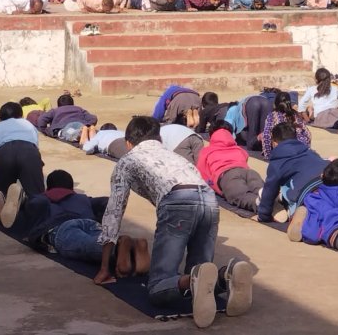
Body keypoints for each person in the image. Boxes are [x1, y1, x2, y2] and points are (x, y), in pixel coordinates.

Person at [94, 116, 253, 328]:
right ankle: (226, 276)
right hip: (209, 201)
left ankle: (194, 279)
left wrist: (105, 268)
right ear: (159, 138)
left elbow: (113, 213)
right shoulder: (175, 156)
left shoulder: (127, 160)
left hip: (178, 202)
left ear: (128, 143)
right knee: (200, 274)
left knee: (158, 287)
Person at [7, 170, 150, 276]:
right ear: (71, 188)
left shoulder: (45, 197)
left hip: (62, 227)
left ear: (48, 188)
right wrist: (100, 218)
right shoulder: (82, 198)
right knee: (99, 238)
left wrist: (27, 202)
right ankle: (134, 248)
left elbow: (37, 204)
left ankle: (119, 246)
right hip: (90, 222)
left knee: (85, 245)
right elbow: (105, 202)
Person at [258, 123, 330, 239]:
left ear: (275, 142)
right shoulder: (310, 152)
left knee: (268, 192)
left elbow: (269, 190)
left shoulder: (278, 162)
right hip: (328, 183)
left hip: (305, 193)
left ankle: (301, 217)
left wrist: (263, 215)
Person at [197, 121, 264, 211]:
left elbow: (202, 175)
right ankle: (272, 197)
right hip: (248, 171)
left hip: (227, 175)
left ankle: (256, 203)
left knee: (240, 195)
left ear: (211, 135)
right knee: (258, 187)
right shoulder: (239, 149)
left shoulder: (206, 151)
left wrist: (212, 184)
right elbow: (245, 157)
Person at [261, 91, 312, 159]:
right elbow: (307, 133)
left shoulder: (272, 116)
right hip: (301, 148)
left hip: (283, 149)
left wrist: (267, 154)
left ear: (275, 103)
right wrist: (307, 147)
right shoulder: (295, 114)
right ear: (289, 102)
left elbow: (266, 135)